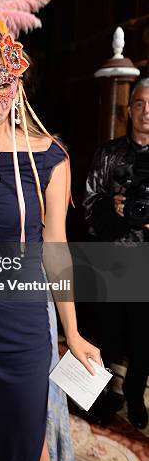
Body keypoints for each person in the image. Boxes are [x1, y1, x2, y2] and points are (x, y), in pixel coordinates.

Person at [0, 15, 100, 461]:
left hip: (21, 329)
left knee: (24, 444)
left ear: (15, 89)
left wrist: (70, 332)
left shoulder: (49, 156)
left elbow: (55, 245)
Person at [84, 78, 149, 429]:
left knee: (144, 337)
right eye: (139, 103)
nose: (147, 111)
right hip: (111, 260)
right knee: (108, 332)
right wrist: (114, 207)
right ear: (129, 110)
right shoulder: (108, 154)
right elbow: (89, 206)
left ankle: (136, 393)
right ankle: (107, 392)